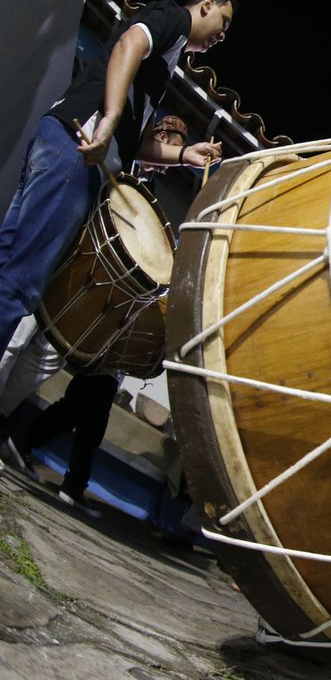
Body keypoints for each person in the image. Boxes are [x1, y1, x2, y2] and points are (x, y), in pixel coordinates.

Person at [0, 0, 233, 352]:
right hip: (75, 149)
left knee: (7, 266)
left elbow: (134, 142)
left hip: (64, 142)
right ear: (207, 4)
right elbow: (129, 43)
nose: (223, 34)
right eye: (224, 20)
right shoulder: (172, 18)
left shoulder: (167, 60)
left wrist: (184, 154)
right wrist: (109, 119)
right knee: (18, 286)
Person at [0, 114, 193, 515]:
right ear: (157, 138)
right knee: (18, 335)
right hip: (64, 262)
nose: (162, 164)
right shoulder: (119, 159)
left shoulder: (148, 193)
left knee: (45, 357)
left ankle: (2, 422)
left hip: (89, 293)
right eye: (166, 151)